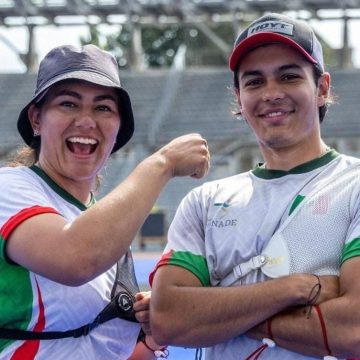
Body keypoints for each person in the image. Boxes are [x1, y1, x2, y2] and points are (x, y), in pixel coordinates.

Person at [150, 13, 360, 360]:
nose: (271, 94)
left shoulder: (353, 185)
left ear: (322, 88)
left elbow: (353, 331)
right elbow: (169, 320)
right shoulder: (205, 201)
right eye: (254, 82)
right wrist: (295, 290)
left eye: (289, 77)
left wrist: (220, 306)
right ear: (239, 99)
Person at [0, 44, 210, 359]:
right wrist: (161, 163)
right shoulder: (9, 187)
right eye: (68, 104)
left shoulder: (105, 229)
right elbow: (75, 258)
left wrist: (150, 332)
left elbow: (112, 349)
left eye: (103, 108)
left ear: (118, 128)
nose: (86, 121)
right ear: (36, 119)